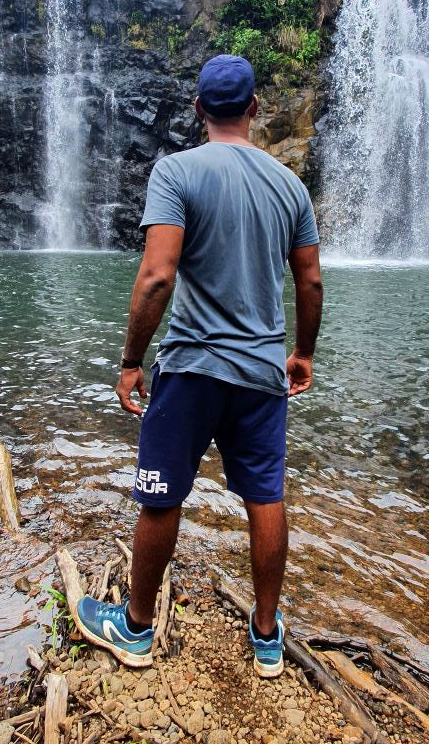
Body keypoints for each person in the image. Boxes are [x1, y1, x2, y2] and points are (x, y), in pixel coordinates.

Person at [74, 53, 324, 677]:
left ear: (197, 110)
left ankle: (134, 629)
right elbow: (311, 280)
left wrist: (131, 360)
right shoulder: (290, 185)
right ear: (254, 109)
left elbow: (158, 275)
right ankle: (266, 638)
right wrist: (302, 353)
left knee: (161, 499)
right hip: (262, 372)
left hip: (188, 366)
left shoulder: (176, 171)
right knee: (266, 498)